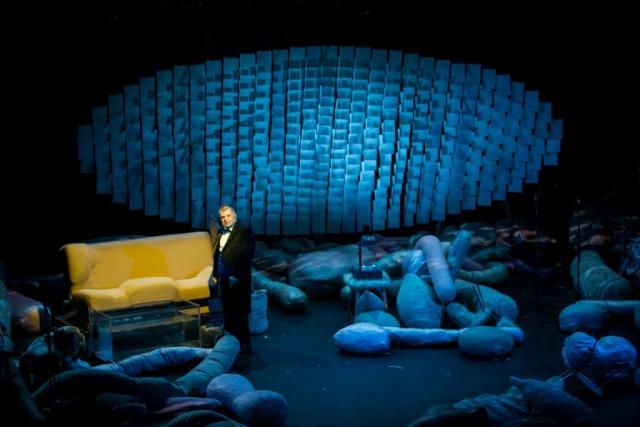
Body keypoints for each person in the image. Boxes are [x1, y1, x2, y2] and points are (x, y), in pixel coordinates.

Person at [209, 205, 255, 353]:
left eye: (228, 216)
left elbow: (247, 255)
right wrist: (215, 274)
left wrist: (235, 275)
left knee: (240, 311)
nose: (225, 219)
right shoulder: (221, 232)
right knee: (228, 309)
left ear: (234, 216)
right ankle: (231, 343)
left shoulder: (243, 230)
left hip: (237, 278)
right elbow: (218, 255)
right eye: (222, 217)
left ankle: (244, 344)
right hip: (224, 277)